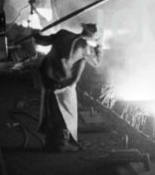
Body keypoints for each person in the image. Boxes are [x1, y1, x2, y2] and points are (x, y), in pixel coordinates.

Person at [33, 23, 103, 152]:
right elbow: (97, 63)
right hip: (63, 83)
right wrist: (99, 47)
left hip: (47, 77)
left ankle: (50, 142)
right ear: (92, 37)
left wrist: (35, 35)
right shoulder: (84, 47)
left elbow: (43, 41)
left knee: (51, 109)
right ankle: (61, 144)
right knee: (65, 112)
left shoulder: (63, 33)